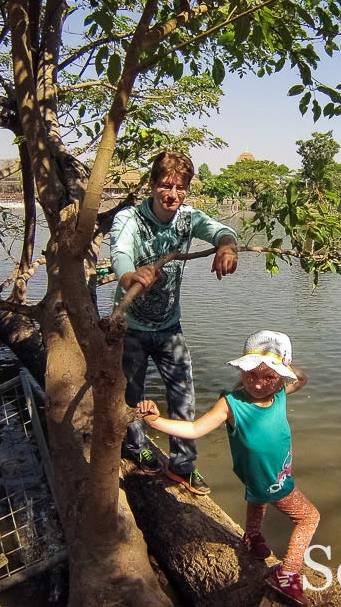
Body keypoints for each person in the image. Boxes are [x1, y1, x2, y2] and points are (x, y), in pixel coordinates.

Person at [137, 330, 319, 606]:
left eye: (268, 376)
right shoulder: (231, 404)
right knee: (309, 518)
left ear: (281, 376)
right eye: (251, 375)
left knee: (257, 499)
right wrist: (155, 421)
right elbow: (195, 428)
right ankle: (287, 573)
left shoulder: (280, 392)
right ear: (242, 372)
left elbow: (302, 379)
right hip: (273, 481)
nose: (258, 384)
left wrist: (285, 365)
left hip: (260, 474)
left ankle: (252, 537)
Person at [110, 151, 238, 495]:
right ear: (152, 185)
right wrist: (129, 276)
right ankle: (136, 449)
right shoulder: (129, 219)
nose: (172, 194)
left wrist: (228, 247)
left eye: (180, 188)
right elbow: (120, 253)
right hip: (131, 326)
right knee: (131, 394)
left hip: (169, 327)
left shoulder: (188, 218)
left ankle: (182, 465)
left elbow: (220, 230)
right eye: (165, 186)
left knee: (183, 396)